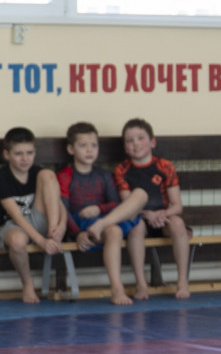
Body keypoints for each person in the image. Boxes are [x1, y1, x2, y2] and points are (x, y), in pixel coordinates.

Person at [57, 122, 149, 305]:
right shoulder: (65, 176)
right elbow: (63, 210)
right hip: (84, 225)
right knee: (114, 230)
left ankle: (141, 283)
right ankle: (117, 289)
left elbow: (115, 203)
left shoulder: (104, 175)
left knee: (140, 195)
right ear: (71, 149)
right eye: (83, 145)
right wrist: (77, 233)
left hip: (104, 220)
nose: (89, 150)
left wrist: (99, 209)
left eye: (94, 145)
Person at [113, 118, 192, 300]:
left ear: (152, 142)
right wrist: (146, 214)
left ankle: (182, 282)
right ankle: (141, 284)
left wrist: (163, 214)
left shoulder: (165, 166)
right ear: (125, 148)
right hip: (139, 217)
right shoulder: (122, 170)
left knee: (178, 224)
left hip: (163, 219)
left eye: (141, 138)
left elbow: (177, 206)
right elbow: (127, 205)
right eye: (130, 140)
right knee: (136, 227)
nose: (136, 143)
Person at [0, 127, 67, 304]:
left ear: (35, 153)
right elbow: (17, 217)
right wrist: (41, 242)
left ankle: (52, 231)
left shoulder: (40, 173)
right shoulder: (2, 177)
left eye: (29, 153)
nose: (25, 159)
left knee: (48, 174)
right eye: (18, 154)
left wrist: (60, 228)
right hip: (14, 225)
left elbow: (60, 206)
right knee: (17, 242)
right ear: (7, 155)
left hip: (42, 222)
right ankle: (27, 284)